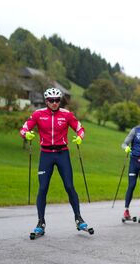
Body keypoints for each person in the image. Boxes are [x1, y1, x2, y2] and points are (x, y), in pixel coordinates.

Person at [20, 87, 90, 235]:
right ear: (46, 101)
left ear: (60, 101)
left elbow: (80, 129)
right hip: (46, 154)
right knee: (43, 188)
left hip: (62, 153)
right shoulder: (38, 114)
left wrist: (79, 137)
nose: (54, 103)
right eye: (51, 100)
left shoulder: (67, 115)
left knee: (69, 186)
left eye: (57, 100)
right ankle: (41, 222)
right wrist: (26, 135)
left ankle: (79, 219)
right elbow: (23, 129)